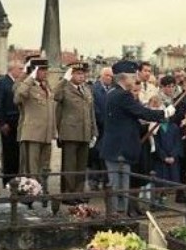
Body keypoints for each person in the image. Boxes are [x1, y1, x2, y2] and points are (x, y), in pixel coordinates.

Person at [100, 60, 175, 216]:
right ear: (124, 77)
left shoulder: (113, 93)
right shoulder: (122, 95)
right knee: (119, 186)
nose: (135, 79)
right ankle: (116, 218)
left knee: (119, 185)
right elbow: (141, 112)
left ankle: (117, 215)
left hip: (115, 148)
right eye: (132, 76)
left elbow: (129, 119)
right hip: (119, 150)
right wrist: (164, 113)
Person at [14, 56, 56, 208]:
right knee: (31, 168)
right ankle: (30, 197)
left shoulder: (47, 87)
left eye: (46, 70)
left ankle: (42, 192)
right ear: (34, 71)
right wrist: (29, 78)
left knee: (45, 167)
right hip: (32, 133)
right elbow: (18, 97)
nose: (45, 73)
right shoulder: (27, 86)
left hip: (46, 134)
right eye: (42, 70)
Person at [54, 61, 97, 207]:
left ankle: (78, 193)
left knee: (81, 166)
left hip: (85, 132)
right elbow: (55, 96)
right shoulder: (64, 88)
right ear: (71, 74)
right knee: (69, 165)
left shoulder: (86, 89)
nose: (81, 76)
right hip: (70, 132)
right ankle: (67, 194)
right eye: (78, 73)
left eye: (83, 73)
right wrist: (64, 79)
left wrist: (94, 131)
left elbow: (91, 113)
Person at [0, 60, 24, 185]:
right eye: (20, 69)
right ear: (12, 69)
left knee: (17, 153)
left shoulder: (20, 83)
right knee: (8, 153)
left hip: (19, 122)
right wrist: (2, 123)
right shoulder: (2, 83)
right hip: (8, 123)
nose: (22, 71)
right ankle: (8, 181)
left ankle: (17, 179)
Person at [88, 67, 113, 190]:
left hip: (110, 129)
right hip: (99, 127)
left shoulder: (113, 89)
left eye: (111, 76)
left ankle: (105, 180)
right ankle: (94, 180)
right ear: (101, 76)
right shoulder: (95, 89)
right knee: (95, 155)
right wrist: (103, 121)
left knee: (106, 156)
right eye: (107, 75)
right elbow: (94, 109)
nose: (109, 78)